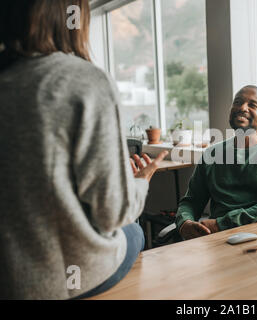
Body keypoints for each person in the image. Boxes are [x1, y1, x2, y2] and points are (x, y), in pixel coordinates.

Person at [0, 0, 167, 299]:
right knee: (134, 232)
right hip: (56, 283)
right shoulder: (80, 81)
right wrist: (140, 182)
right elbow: (111, 214)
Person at [176, 85, 257, 240]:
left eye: (252, 105)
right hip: (220, 239)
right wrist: (185, 222)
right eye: (237, 102)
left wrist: (222, 223)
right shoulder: (212, 154)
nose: (242, 108)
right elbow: (191, 201)